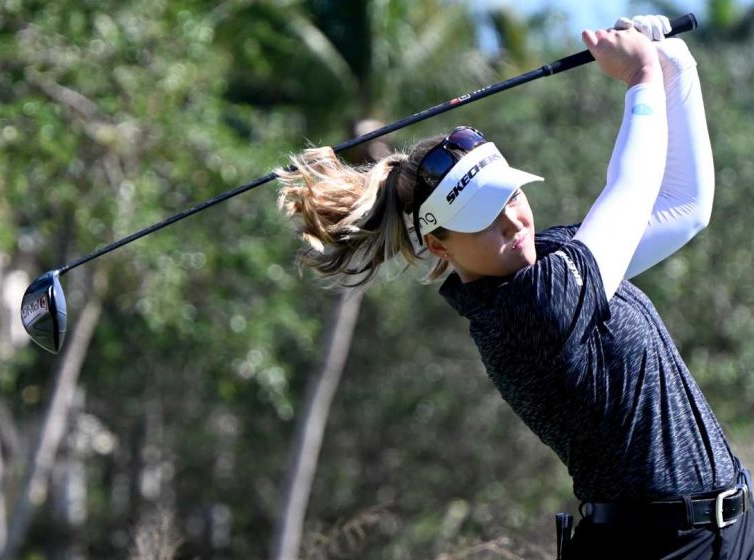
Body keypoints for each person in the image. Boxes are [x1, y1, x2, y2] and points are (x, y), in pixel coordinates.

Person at [277, 15, 753, 560]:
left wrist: (674, 62)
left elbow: (685, 207)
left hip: (731, 528)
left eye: (510, 195)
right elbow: (630, 189)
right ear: (440, 247)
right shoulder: (532, 309)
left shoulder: (552, 260)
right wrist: (642, 77)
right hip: (654, 549)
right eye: (483, 216)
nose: (512, 220)